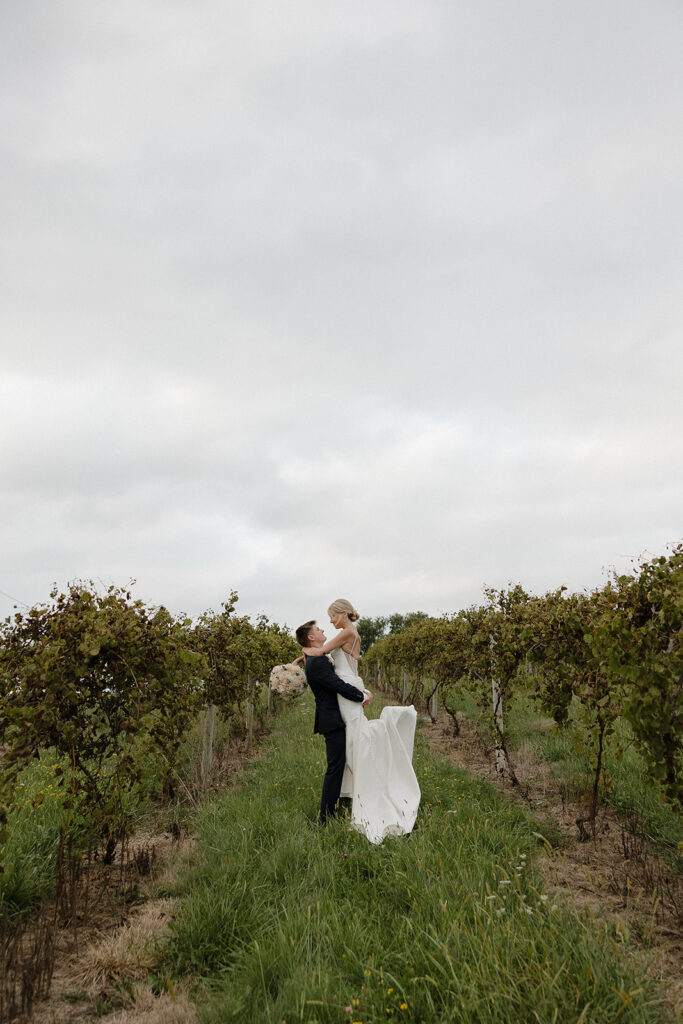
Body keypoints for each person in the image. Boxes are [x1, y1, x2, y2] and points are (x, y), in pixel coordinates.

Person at [302, 599, 421, 845]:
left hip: (347, 688)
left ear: (343, 613)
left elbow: (319, 652)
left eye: (332, 616)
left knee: (357, 740)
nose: (330, 622)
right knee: (353, 741)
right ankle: (354, 790)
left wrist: (302, 655)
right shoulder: (350, 633)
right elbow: (321, 655)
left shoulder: (346, 632)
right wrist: (297, 661)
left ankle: (370, 788)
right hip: (350, 685)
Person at [295, 619, 371, 825]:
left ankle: (341, 803)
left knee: (340, 763)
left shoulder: (318, 658)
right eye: (317, 629)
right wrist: (362, 696)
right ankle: (325, 818)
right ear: (311, 638)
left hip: (337, 716)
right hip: (332, 719)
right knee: (335, 767)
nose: (322, 629)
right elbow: (337, 684)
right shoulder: (317, 662)